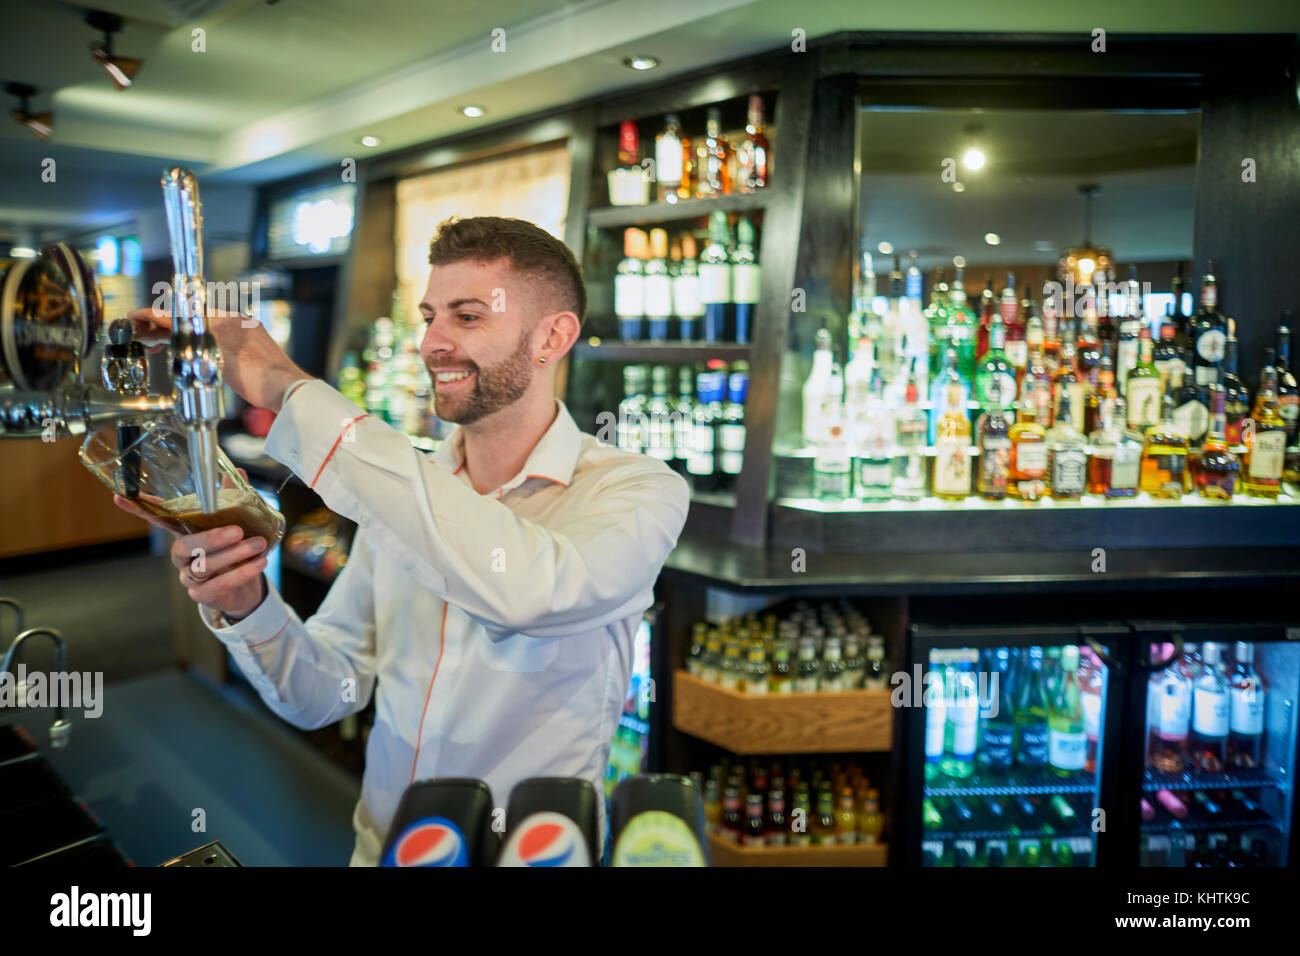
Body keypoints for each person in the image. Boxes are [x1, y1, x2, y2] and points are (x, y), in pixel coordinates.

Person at [120, 216, 690, 865]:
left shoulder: (637, 490)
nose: (433, 344)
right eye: (428, 316)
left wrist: (287, 386)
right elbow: (326, 691)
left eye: (468, 317)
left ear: (552, 337)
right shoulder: (407, 495)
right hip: (387, 849)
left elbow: (529, 593)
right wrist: (249, 605)